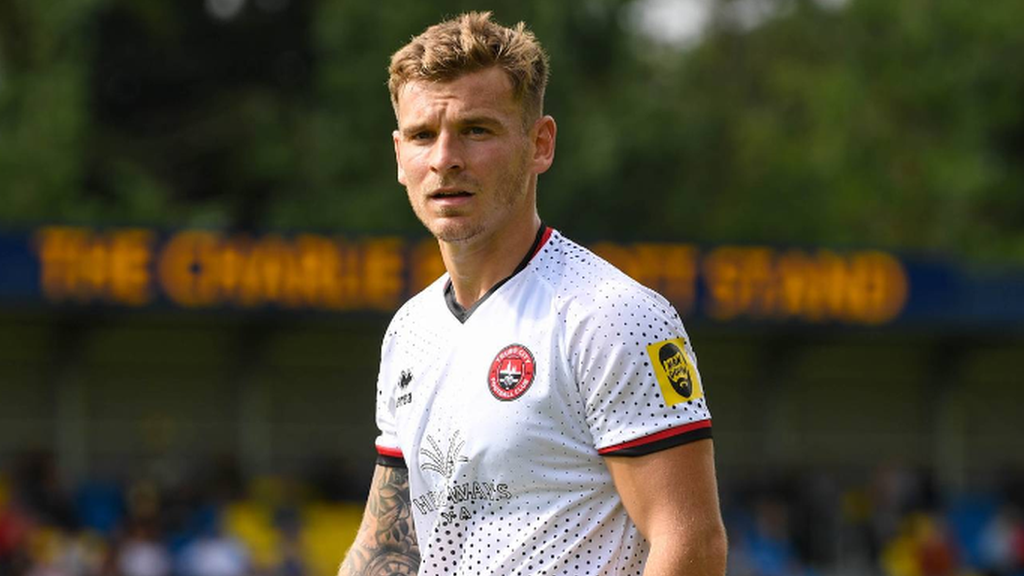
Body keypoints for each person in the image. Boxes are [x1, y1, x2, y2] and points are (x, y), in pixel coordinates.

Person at [339, 11, 727, 576]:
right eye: (424, 135)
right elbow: (390, 548)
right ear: (401, 156)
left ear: (540, 144)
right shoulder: (410, 329)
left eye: (476, 130)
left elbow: (690, 545)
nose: (445, 158)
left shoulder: (612, 315)